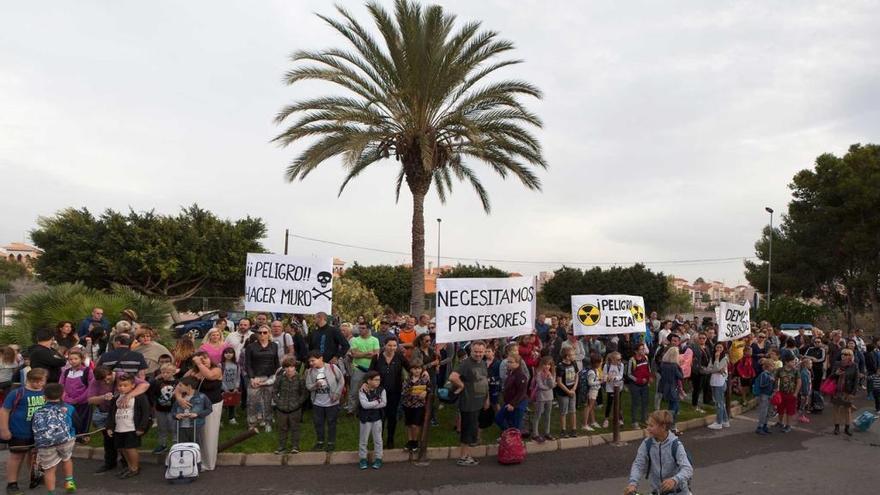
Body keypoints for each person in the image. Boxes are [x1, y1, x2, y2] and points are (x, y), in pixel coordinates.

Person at [86, 366, 149, 475]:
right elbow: (91, 400)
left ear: (112, 373)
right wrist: (103, 398)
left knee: (130, 447)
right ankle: (116, 464)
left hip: (130, 424)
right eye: (103, 381)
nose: (106, 382)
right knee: (116, 444)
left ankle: (133, 467)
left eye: (108, 379)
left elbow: (145, 385)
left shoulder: (123, 377)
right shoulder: (98, 383)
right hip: (112, 418)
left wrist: (128, 396)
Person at [0, 368, 47, 495]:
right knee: (16, 456)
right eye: (34, 381)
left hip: (38, 431)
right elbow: (4, 411)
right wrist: (4, 429)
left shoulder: (44, 392)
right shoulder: (17, 393)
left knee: (34, 455)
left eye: (41, 381)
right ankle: (12, 483)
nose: (38, 384)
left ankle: (35, 476)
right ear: (28, 379)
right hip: (19, 431)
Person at [624, 410, 693, 495]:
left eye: (651, 425)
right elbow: (638, 464)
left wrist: (674, 480)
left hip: (678, 492)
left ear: (663, 427)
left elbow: (688, 469)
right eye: (648, 425)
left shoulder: (676, 445)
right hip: (657, 491)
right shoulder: (647, 443)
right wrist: (633, 484)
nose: (647, 428)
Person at [176, 351, 223, 470]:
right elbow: (179, 386)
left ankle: (208, 463)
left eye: (205, 358)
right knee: (196, 433)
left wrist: (199, 364)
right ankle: (196, 460)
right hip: (196, 406)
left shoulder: (216, 369)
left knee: (209, 434)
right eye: (200, 360)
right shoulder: (193, 372)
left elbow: (210, 376)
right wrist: (179, 399)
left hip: (212, 405)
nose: (203, 361)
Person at [448, 340, 489, 467]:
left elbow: (484, 380)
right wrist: (461, 385)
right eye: (476, 352)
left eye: (481, 352)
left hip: (479, 401)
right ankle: (463, 457)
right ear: (471, 350)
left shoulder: (482, 363)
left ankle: (467, 455)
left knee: (472, 429)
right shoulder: (465, 364)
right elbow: (453, 377)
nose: (478, 354)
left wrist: (487, 399)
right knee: (467, 430)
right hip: (468, 402)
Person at [31, 383, 77, 495]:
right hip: (66, 440)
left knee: (49, 469)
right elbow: (77, 423)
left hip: (45, 444)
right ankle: (69, 481)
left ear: (44, 397)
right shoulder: (69, 408)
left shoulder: (38, 411)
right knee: (67, 459)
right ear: (63, 395)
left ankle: (51, 492)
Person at [105, 373, 152, 479]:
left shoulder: (139, 397)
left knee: (130, 448)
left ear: (133, 385)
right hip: (119, 428)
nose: (122, 388)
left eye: (125, 385)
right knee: (122, 448)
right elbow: (112, 413)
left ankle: (135, 468)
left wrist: (142, 427)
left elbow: (146, 413)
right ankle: (129, 466)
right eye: (120, 385)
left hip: (131, 428)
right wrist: (109, 427)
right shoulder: (116, 398)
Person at [370, 338, 407, 449]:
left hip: (394, 392)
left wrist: (423, 371)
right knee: (380, 417)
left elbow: (410, 367)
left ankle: (390, 439)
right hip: (379, 392)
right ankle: (378, 440)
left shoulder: (399, 356)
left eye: (394, 346)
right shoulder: (377, 357)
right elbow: (370, 373)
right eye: (389, 345)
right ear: (384, 345)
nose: (392, 348)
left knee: (392, 416)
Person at [305, 350, 344, 452]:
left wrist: (337, 394)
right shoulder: (309, 372)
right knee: (318, 423)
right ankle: (320, 442)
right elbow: (308, 386)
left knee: (332, 422)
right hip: (318, 402)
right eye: (310, 362)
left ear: (321, 358)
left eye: (313, 361)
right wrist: (315, 385)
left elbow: (341, 381)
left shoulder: (332, 368)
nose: (311, 363)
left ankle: (331, 443)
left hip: (332, 402)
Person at [245, 325, 280, 430]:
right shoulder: (251, 347)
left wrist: (275, 377)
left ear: (269, 333)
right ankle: (252, 424)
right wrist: (252, 378)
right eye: (260, 332)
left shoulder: (274, 345)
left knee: (268, 402)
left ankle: (268, 422)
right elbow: (248, 364)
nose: (262, 335)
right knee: (252, 402)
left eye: (265, 332)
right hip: (255, 378)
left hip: (269, 377)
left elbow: (276, 362)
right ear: (257, 334)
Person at [272, 357, 307, 455]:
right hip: (281, 408)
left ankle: (295, 446)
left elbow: (304, 393)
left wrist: (298, 403)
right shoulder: (280, 379)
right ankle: (281, 447)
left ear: (295, 367)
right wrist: (278, 402)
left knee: (295, 428)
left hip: (295, 408)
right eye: (286, 367)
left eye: (291, 367)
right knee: (282, 428)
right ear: (284, 368)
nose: (289, 369)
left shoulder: (300, 379)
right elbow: (274, 391)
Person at [59, 349, 93, 439]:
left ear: (81, 359)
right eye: (70, 359)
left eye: (75, 359)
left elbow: (91, 387)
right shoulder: (66, 372)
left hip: (83, 402)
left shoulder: (87, 371)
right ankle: (72, 435)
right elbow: (61, 385)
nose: (73, 361)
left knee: (83, 420)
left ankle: (82, 436)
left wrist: (78, 399)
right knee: (70, 419)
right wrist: (66, 398)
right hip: (68, 402)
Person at [348, 322, 380, 414]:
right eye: (360, 328)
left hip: (371, 369)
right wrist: (367, 354)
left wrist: (360, 354)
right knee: (354, 390)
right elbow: (354, 354)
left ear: (368, 329)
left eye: (363, 328)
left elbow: (376, 355)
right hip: (358, 368)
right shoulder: (355, 340)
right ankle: (351, 410)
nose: (360, 330)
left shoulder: (375, 340)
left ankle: (366, 408)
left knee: (370, 389)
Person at [357, 370, 386, 470]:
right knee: (363, 440)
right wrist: (377, 401)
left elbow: (384, 403)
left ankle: (378, 458)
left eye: (379, 380)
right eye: (376, 380)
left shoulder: (382, 390)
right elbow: (364, 405)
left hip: (377, 418)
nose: (378, 382)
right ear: (369, 381)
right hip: (365, 418)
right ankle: (362, 458)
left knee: (378, 439)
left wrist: (372, 404)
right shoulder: (362, 390)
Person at [148, 363, 179, 454]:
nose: (165, 374)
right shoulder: (157, 383)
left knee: (174, 428)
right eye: (163, 372)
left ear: (173, 372)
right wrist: (155, 403)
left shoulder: (177, 383)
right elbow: (152, 394)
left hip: (173, 410)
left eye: (168, 372)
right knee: (162, 428)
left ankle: (175, 445)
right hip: (160, 409)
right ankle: (162, 444)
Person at [170, 376, 211, 443]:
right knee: (182, 446)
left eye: (180, 385)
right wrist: (176, 415)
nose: (178, 388)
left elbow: (209, 409)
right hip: (181, 427)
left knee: (195, 445)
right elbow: (173, 411)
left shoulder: (202, 397)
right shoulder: (180, 399)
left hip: (196, 427)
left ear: (188, 386)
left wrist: (197, 414)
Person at [401, 359, 430, 453]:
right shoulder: (407, 379)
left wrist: (426, 391)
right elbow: (404, 391)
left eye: (419, 368)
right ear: (411, 370)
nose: (417, 371)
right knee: (409, 424)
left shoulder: (424, 379)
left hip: (419, 405)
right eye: (414, 369)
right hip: (408, 404)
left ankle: (415, 441)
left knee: (415, 424)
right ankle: (410, 440)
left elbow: (430, 388)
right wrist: (412, 391)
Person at [495, 353, 528, 431]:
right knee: (499, 418)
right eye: (508, 361)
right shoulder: (511, 372)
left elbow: (522, 392)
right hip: (509, 402)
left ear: (517, 363)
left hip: (517, 403)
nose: (508, 364)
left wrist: (513, 404)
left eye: (510, 362)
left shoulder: (520, 375)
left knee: (515, 425)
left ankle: (514, 439)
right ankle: (508, 433)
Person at [830, 348, 859, 436]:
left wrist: (852, 393)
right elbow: (831, 377)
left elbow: (856, 380)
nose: (843, 356)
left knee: (847, 410)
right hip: (837, 391)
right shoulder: (837, 364)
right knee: (836, 409)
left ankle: (847, 428)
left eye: (846, 354)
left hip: (847, 391)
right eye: (842, 354)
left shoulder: (854, 365)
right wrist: (836, 374)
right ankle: (836, 427)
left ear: (850, 356)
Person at [703, 343, 729, 430]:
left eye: (720, 347)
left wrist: (717, 359)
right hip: (714, 381)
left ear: (723, 348)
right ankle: (725, 421)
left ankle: (718, 422)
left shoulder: (725, 358)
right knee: (721, 403)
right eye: (717, 347)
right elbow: (709, 369)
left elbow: (717, 368)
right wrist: (715, 369)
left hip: (720, 383)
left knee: (719, 403)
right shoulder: (712, 357)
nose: (718, 349)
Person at [626, 343, 651, 429]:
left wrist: (648, 378)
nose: (643, 351)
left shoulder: (646, 358)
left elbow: (648, 369)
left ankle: (644, 420)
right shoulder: (632, 360)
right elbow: (628, 374)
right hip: (635, 385)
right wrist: (637, 380)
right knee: (635, 403)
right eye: (641, 349)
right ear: (636, 351)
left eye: (643, 349)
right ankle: (634, 421)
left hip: (645, 384)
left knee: (645, 402)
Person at [555, 346, 578, 437]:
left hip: (572, 391)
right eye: (573, 354)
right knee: (563, 411)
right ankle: (563, 430)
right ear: (567, 356)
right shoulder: (560, 366)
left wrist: (574, 388)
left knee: (573, 411)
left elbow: (577, 375)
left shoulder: (574, 363)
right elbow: (559, 382)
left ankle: (574, 429)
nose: (574, 356)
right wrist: (568, 391)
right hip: (563, 393)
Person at [774, 354, 801, 433]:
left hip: (791, 393)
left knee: (790, 410)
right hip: (781, 393)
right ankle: (780, 422)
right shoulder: (780, 370)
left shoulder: (796, 371)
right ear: (786, 362)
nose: (794, 363)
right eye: (792, 362)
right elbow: (776, 379)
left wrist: (796, 393)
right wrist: (776, 389)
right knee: (780, 409)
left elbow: (799, 382)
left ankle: (788, 425)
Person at [659, 347, 683, 431]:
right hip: (673, 388)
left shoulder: (663, 364)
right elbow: (681, 376)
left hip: (665, 388)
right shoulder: (674, 366)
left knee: (671, 406)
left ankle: (668, 424)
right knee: (674, 408)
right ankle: (671, 425)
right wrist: (680, 366)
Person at [531, 356, 555, 442]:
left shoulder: (551, 374)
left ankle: (547, 432)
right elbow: (540, 386)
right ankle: (535, 433)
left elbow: (552, 385)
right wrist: (548, 387)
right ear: (542, 365)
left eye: (549, 365)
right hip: (541, 397)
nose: (547, 366)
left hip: (549, 397)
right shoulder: (538, 374)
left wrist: (549, 377)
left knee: (547, 415)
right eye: (545, 364)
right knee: (538, 414)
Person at [602, 351, 624, 428]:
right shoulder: (607, 366)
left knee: (618, 403)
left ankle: (619, 419)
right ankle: (606, 419)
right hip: (610, 387)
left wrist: (614, 378)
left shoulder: (621, 365)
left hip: (618, 387)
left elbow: (620, 376)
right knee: (609, 403)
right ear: (613, 359)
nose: (620, 361)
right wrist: (606, 378)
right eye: (618, 359)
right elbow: (604, 376)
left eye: (620, 359)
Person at [754, 358, 776, 435]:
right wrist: (769, 380)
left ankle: (765, 425)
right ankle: (760, 427)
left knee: (768, 411)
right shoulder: (764, 374)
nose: (773, 367)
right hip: (764, 395)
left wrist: (774, 390)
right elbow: (762, 384)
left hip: (770, 394)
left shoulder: (771, 374)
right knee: (763, 411)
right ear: (767, 366)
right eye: (772, 366)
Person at [582, 354, 602, 431]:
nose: (601, 363)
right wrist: (600, 382)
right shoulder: (591, 372)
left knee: (592, 406)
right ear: (596, 363)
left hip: (595, 390)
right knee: (588, 407)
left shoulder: (595, 370)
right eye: (600, 362)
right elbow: (590, 383)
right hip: (592, 391)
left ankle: (593, 421)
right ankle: (584, 424)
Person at [220, 348, 240, 424]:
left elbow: (238, 377)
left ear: (234, 354)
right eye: (226, 353)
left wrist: (236, 387)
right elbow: (220, 378)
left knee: (232, 403)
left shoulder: (236, 365)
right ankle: (220, 420)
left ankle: (231, 418)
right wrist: (225, 389)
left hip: (233, 388)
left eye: (230, 353)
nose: (228, 354)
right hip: (223, 388)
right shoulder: (221, 365)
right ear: (223, 354)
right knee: (222, 405)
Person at [797, 357, 813, 422]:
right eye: (810, 364)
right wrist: (806, 392)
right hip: (804, 391)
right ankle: (801, 416)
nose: (811, 365)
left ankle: (802, 416)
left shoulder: (806, 372)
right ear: (806, 364)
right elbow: (805, 383)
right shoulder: (804, 372)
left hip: (806, 390)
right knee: (803, 404)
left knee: (804, 404)